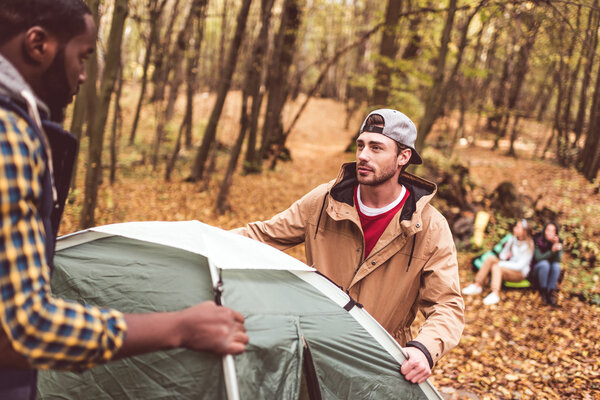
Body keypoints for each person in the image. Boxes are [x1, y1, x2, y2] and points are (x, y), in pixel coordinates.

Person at [0, 1, 248, 398]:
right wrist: (180, 328)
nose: (83, 75)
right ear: (38, 45)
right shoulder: (9, 134)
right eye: (82, 56)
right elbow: (19, 327)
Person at [234, 109, 465, 384]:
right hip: (314, 353)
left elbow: (447, 305)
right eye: (361, 145)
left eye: (376, 147)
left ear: (403, 157)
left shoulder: (429, 227)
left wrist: (425, 349)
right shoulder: (324, 200)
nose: (363, 155)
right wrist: (192, 242)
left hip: (381, 365)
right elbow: (260, 235)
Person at [462, 219, 534, 306]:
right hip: (507, 265)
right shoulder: (512, 239)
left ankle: (495, 293)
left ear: (524, 231)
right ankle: (477, 284)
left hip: (520, 273)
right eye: (516, 226)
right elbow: (502, 255)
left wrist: (501, 264)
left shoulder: (529, 245)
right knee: (490, 258)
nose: (515, 229)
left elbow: (520, 266)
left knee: (497, 267)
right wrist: (506, 256)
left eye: (518, 227)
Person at [530, 222, 563, 306]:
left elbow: (558, 260)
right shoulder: (538, 240)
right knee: (545, 264)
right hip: (536, 271)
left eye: (553, 231)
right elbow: (538, 258)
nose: (550, 233)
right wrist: (551, 251)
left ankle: (550, 292)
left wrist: (556, 248)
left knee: (556, 266)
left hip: (550, 272)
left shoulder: (558, 242)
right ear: (544, 231)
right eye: (548, 230)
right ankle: (543, 292)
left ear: (555, 233)